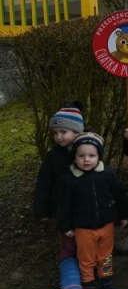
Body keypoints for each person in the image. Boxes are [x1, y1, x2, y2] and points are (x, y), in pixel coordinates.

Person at [57, 132, 128, 289]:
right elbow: (63, 205)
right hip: (83, 228)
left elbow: (120, 195)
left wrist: (125, 215)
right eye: (81, 156)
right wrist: (65, 226)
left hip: (106, 225)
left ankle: (106, 282)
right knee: (86, 258)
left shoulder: (107, 174)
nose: (86, 159)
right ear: (74, 157)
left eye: (92, 155)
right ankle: (89, 285)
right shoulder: (69, 179)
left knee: (105, 256)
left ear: (99, 156)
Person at [35, 103, 85, 260]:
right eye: (55, 133)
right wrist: (41, 209)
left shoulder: (87, 152)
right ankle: (71, 274)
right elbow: (44, 183)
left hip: (85, 207)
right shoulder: (52, 156)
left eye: (63, 132)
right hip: (62, 208)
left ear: (77, 131)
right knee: (67, 243)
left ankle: (89, 272)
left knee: (86, 242)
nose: (59, 137)